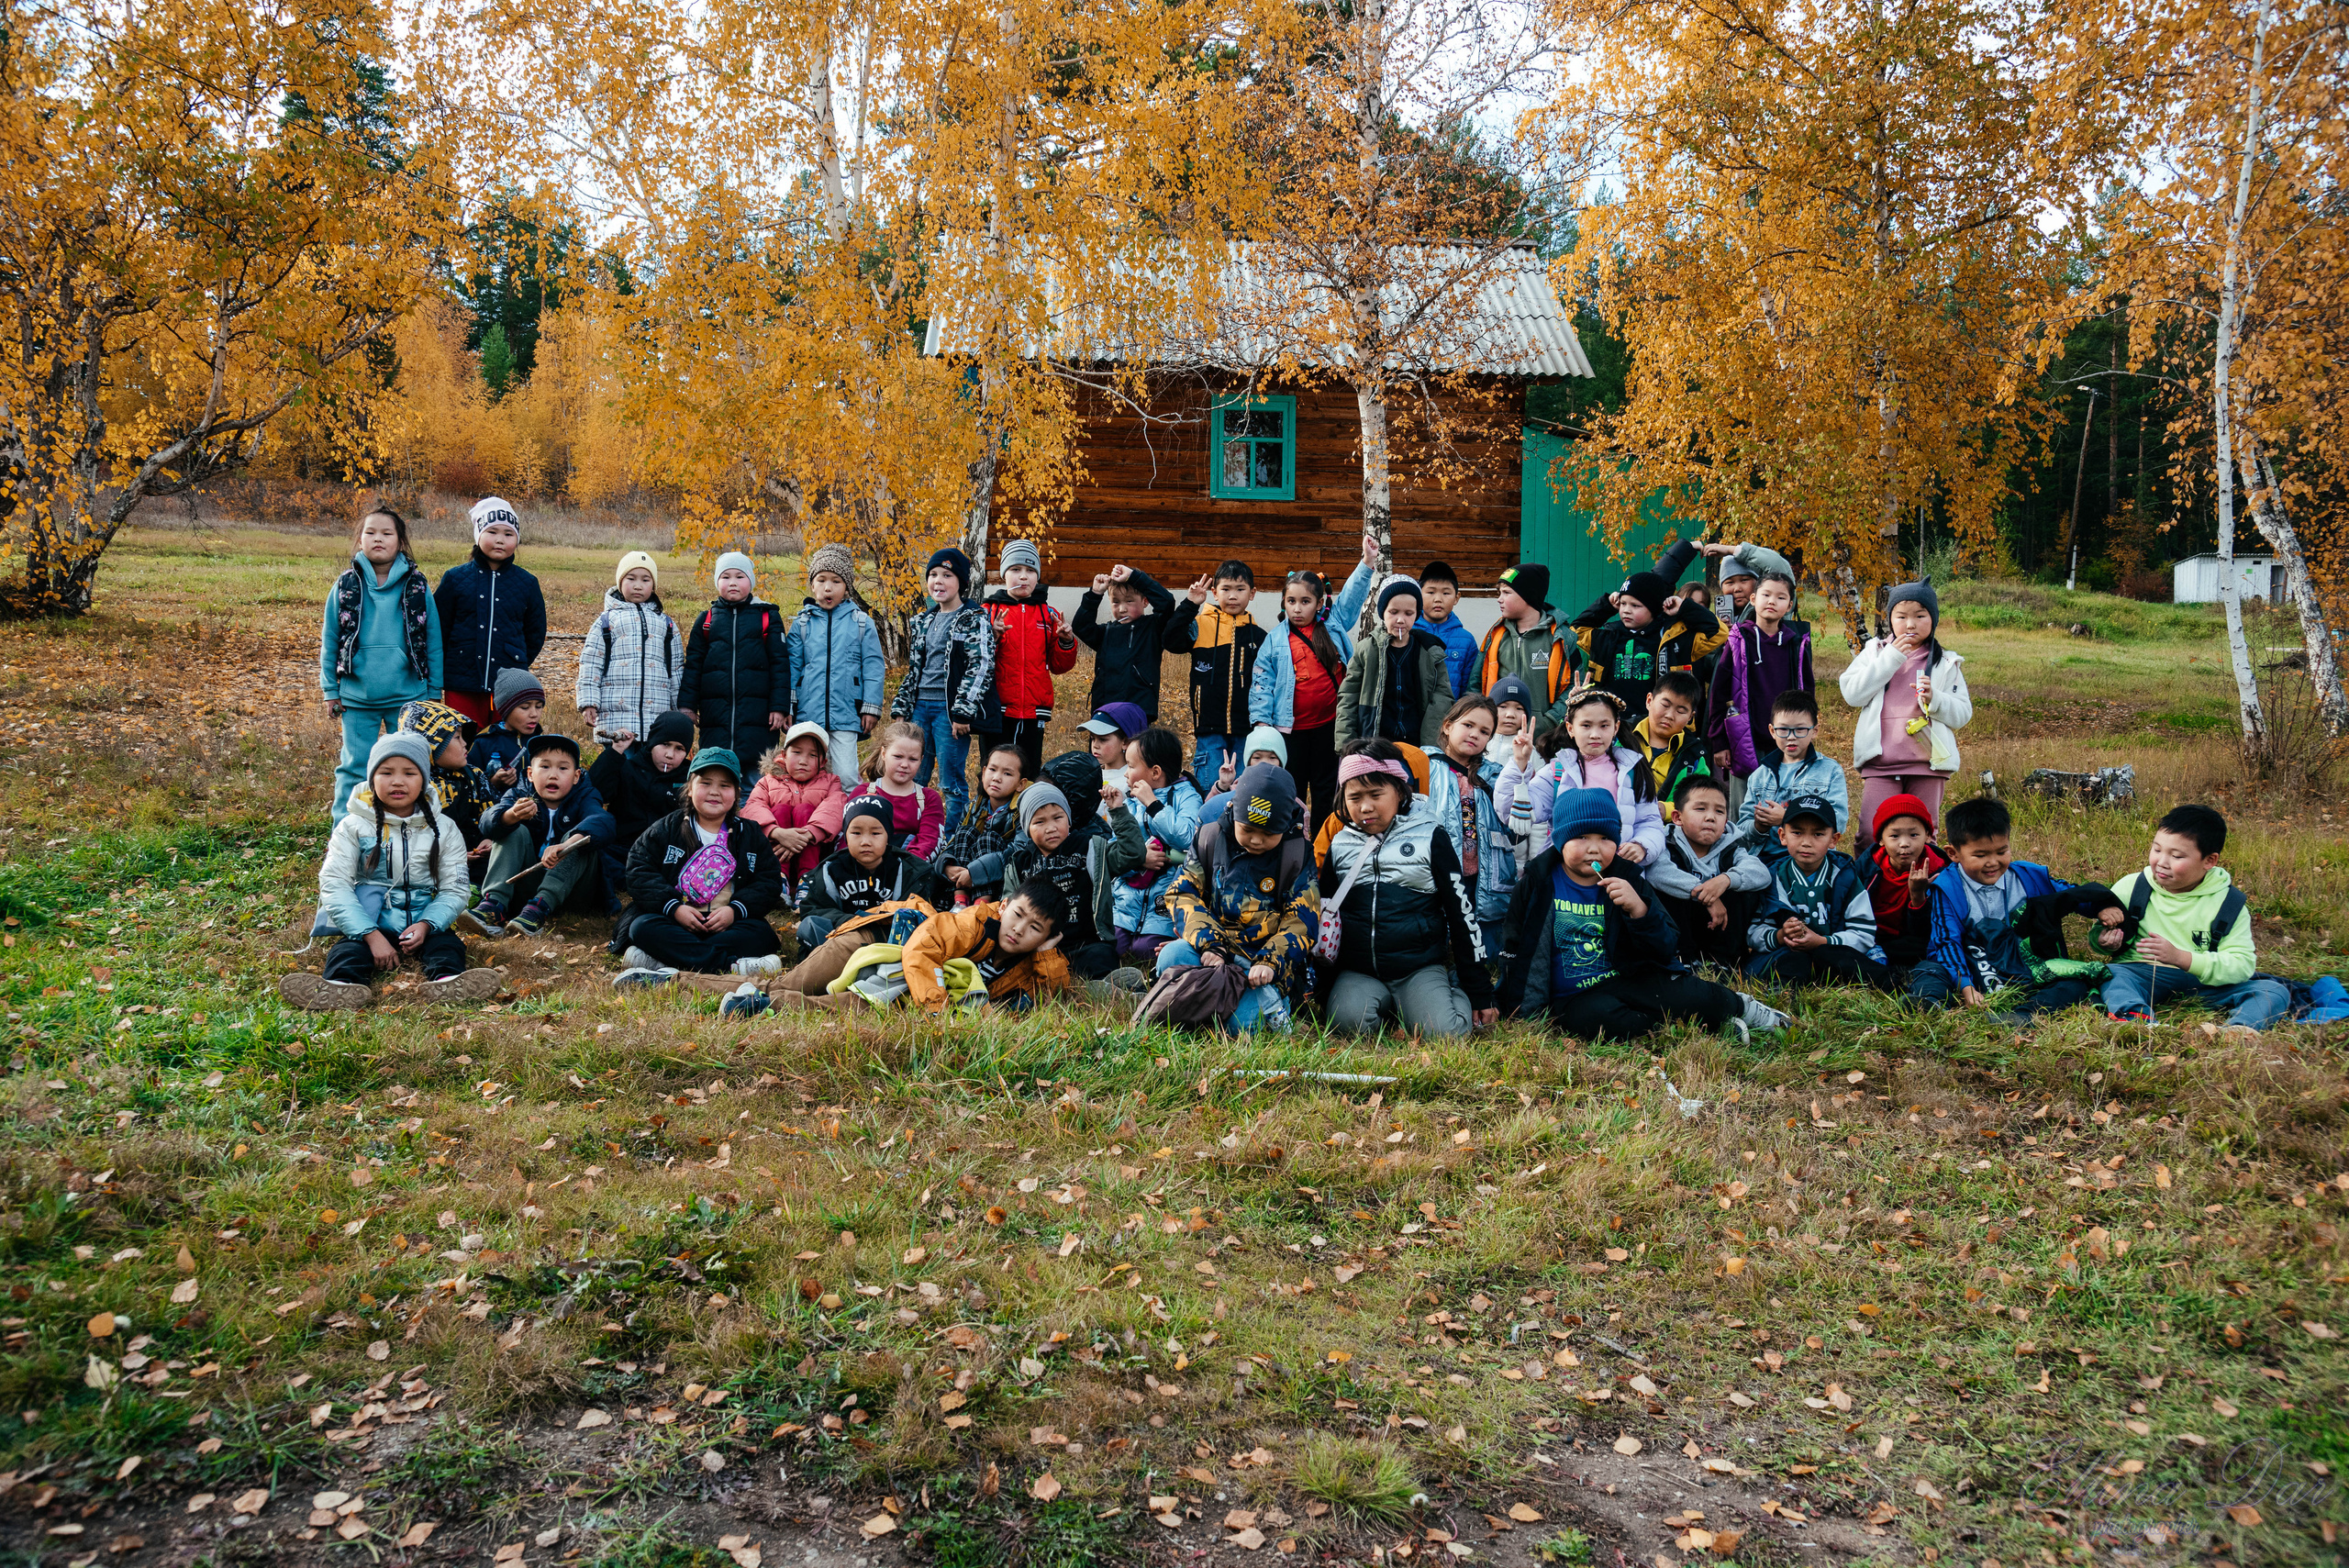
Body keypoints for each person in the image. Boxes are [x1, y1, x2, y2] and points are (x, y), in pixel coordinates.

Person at [1497, 786, 1788, 1041]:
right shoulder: (1537, 882)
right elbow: (1515, 946)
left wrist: (1638, 909)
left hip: (1632, 977)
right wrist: (1516, 1005)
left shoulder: (1629, 877)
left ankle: (1742, 1007)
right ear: (1560, 841)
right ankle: (1692, 1026)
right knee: (1594, 1022)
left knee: (1692, 994)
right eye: (1581, 837)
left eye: (1605, 838)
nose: (1594, 848)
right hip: (1575, 997)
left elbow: (1664, 946)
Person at [281, 733, 501, 1010]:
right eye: (386, 772)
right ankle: (339, 986)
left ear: (424, 779)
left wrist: (426, 924)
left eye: (409, 773)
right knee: (348, 951)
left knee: (447, 946)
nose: (397, 781)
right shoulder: (353, 826)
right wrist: (370, 935)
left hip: (423, 919)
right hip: (369, 919)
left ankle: (448, 981)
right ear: (372, 778)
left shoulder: (444, 828)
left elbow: (454, 889)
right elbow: (334, 884)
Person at [1318, 742, 1496, 1039]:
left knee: (1446, 1034)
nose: (1365, 807)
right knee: (1345, 1024)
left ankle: (1445, 992)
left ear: (1400, 791)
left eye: (1376, 795)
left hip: (1417, 969)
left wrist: (1478, 991)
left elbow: (1461, 914)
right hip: (1359, 971)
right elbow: (1324, 914)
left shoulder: (1431, 836)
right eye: (1355, 797)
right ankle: (1388, 1007)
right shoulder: (1340, 844)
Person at [1156, 762, 1319, 1035]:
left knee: (1243, 1025)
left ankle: (1224, 1007)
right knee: (1171, 956)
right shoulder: (1209, 837)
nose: (1256, 840)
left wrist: (1270, 962)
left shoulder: (1296, 854)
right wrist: (1210, 943)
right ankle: (1213, 1003)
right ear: (1234, 812)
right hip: (1212, 953)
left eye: (1268, 834)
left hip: (1260, 969)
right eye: (1248, 829)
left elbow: (1302, 920)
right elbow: (1183, 893)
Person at [2095, 804, 2288, 1034]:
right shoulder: (2131, 887)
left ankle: (2238, 1032)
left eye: (2176, 856)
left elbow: (2242, 965)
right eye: (2157, 850)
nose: (2162, 862)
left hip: (2206, 982)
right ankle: (2138, 1020)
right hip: (2143, 973)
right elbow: (2100, 932)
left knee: (2274, 991)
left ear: (2209, 860)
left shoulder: (2229, 903)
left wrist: (2181, 957)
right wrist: (2102, 940)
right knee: (2112, 975)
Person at [1923, 795, 2117, 1023]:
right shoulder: (1947, 888)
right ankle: (1929, 1002)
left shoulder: (2029, 876)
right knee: (1930, 970)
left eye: (2001, 851)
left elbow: (2068, 894)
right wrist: (1965, 986)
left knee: (2073, 983)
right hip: (1973, 961)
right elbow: (1946, 940)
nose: (1993, 862)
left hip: (2023, 961)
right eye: (1980, 855)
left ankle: (2022, 1015)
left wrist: (2101, 907)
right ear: (1953, 853)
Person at [612, 748, 786, 986]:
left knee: (762, 935)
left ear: (736, 794)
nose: (714, 792)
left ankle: (664, 964)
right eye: (705, 783)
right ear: (690, 788)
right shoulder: (667, 828)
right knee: (641, 928)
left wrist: (734, 910)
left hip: (727, 922)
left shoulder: (750, 833)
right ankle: (730, 967)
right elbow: (639, 870)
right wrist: (674, 908)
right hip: (677, 920)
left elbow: (768, 880)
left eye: (725, 786)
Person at [779, 879, 1074, 1014]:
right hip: (874, 941)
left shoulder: (1029, 964)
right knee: (792, 984)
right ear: (1005, 905)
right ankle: (754, 996)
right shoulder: (977, 923)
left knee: (864, 1006)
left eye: (1035, 929)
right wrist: (937, 1009)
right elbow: (923, 949)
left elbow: (1053, 997)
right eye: (1018, 915)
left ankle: (757, 1006)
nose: (1019, 930)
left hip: (898, 985)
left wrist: (1046, 952)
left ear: (1048, 936)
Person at [965, 765, 1146, 984]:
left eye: (1057, 818)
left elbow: (1133, 853)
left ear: (1068, 819)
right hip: (1036, 945)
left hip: (1085, 942)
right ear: (1027, 828)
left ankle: (1103, 985)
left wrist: (1118, 811)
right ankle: (1064, 984)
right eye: (1039, 822)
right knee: (1023, 969)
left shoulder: (1090, 848)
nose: (1051, 827)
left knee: (1102, 956)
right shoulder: (1021, 862)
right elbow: (1008, 903)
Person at [321, 506, 443, 820]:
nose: (378, 539)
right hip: (357, 698)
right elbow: (331, 638)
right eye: (370, 532)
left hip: (408, 698)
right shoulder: (346, 585)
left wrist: (433, 691)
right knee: (354, 768)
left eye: (387, 533)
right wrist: (330, 690)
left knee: (409, 769)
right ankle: (344, 837)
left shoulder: (416, 586)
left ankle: (408, 833)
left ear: (400, 542)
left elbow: (432, 639)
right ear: (360, 540)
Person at [1839, 576, 1971, 855]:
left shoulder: (1946, 662)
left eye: (1920, 616)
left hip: (1928, 763)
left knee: (1923, 837)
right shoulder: (1875, 652)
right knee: (1869, 835)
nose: (1910, 624)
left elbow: (1962, 714)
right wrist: (1891, 659)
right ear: (1890, 619)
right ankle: (1868, 893)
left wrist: (1936, 699)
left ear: (1933, 619)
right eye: (1901, 616)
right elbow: (1852, 694)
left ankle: (1922, 893)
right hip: (1881, 762)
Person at [1251, 554, 1374, 832]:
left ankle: (1321, 845)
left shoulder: (1333, 625)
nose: (1297, 609)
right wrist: (1261, 723)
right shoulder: (1275, 639)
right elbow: (1262, 681)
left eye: (1305, 602)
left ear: (1319, 604)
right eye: (1291, 601)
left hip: (1330, 728)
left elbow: (1352, 597)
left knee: (1326, 791)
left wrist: (1366, 564)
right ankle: (1289, 843)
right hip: (1290, 733)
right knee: (1290, 788)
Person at [462, 733, 616, 937]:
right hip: (526, 887)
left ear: (576, 776)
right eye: (544, 767)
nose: (553, 775)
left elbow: (603, 822)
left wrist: (567, 844)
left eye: (563, 768)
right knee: (513, 829)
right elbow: (488, 823)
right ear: (530, 773)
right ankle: (493, 905)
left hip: (573, 891)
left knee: (580, 838)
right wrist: (511, 815)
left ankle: (539, 909)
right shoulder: (518, 795)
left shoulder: (585, 795)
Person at [890, 547, 996, 834]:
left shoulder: (974, 619)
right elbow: (915, 670)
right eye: (933, 574)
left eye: (947, 575)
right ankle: (910, 831)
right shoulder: (924, 622)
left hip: (950, 715)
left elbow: (982, 666)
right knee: (914, 775)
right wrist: (902, 708)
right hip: (919, 710)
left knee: (950, 781)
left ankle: (948, 838)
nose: (938, 581)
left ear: (961, 582)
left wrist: (963, 710)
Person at [1495, 687, 1665, 864]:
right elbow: (1511, 813)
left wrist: (1642, 846)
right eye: (1586, 725)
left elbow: (1650, 822)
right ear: (1570, 728)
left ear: (1616, 728)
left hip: (1618, 874)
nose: (1595, 734)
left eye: (1604, 726)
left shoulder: (1632, 771)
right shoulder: (1557, 772)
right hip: (1565, 874)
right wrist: (1519, 763)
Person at [1743, 795, 1891, 989]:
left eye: (1818, 834)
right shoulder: (1773, 877)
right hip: (1788, 952)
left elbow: (1864, 933)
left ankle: (1889, 984)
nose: (1806, 842)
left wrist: (1821, 941)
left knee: (1836, 958)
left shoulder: (1844, 877)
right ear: (1782, 836)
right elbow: (1754, 932)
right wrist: (1780, 935)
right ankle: (1786, 990)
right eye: (1797, 832)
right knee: (1790, 960)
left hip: (1832, 951)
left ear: (1834, 839)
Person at [1569, 541, 1723, 715]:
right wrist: (1606, 606)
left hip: (1658, 727)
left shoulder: (1673, 639)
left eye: (1636, 606)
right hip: (1612, 727)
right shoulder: (1608, 637)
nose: (1626, 610)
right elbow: (1575, 631)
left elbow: (1719, 634)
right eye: (1623, 603)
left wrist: (1685, 608)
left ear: (1654, 610)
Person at [434, 496, 547, 733]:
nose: (500, 540)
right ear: (478, 536)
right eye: (492, 532)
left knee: (504, 738)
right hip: (461, 679)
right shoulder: (455, 579)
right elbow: (439, 627)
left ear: (517, 539)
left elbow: (535, 631)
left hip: (507, 681)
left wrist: (516, 661)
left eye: (508, 534)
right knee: (464, 737)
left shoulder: (527, 583)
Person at [1709, 572, 1813, 817]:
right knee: (1744, 810)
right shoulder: (1738, 640)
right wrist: (1719, 742)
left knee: (1785, 805)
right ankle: (1740, 854)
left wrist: (1807, 728)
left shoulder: (1796, 643)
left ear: (1789, 605)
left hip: (1787, 736)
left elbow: (1808, 692)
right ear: (1753, 599)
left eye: (1780, 597)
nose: (1771, 601)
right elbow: (1718, 692)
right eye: (1766, 595)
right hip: (1745, 738)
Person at [678, 550, 790, 778]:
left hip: (758, 718)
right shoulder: (706, 620)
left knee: (755, 776)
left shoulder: (767, 617)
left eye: (740, 577)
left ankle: (753, 811)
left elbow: (780, 664)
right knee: (717, 771)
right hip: (715, 716)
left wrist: (779, 707)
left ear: (751, 581)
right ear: (717, 581)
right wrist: (687, 706)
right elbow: (693, 666)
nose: (732, 583)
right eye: (725, 577)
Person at [1644, 774, 1770, 972]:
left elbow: (1761, 872)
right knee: (1667, 888)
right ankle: (1683, 958)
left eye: (1719, 811)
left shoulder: (1730, 848)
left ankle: (1723, 962)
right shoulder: (1665, 842)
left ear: (1726, 820)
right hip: (1681, 930)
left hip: (1719, 927)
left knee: (1746, 886)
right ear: (1678, 817)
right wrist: (1708, 896)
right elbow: (1657, 872)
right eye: (1700, 808)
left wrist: (1725, 880)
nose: (1710, 817)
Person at [585, 707, 696, 925]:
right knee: (595, 854)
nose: (670, 754)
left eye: (679, 748)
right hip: (623, 848)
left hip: (665, 854)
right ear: (652, 742)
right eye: (664, 745)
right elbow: (596, 790)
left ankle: (642, 880)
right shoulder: (629, 767)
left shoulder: (690, 778)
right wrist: (615, 751)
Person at [789, 542, 886, 788]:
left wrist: (871, 706)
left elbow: (873, 666)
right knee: (808, 775)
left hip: (846, 712)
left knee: (845, 775)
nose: (828, 588)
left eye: (836, 581)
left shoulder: (862, 623)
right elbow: (792, 668)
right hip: (808, 714)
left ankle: (849, 824)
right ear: (812, 584)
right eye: (821, 580)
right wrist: (788, 705)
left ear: (847, 587)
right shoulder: (801, 625)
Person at [978, 538, 1075, 779]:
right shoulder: (988, 612)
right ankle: (987, 813)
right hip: (997, 708)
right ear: (1003, 574)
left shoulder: (1048, 613)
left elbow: (1059, 665)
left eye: (1030, 570)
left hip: (1034, 711)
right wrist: (993, 636)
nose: (1023, 576)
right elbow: (976, 660)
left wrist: (1065, 641)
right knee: (993, 769)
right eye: (1016, 569)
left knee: (1028, 770)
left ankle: (1023, 814)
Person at [1428, 695, 1514, 962]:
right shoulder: (1425, 765)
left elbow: (1516, 829)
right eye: (1468, 725)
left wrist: (1520, 770)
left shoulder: (1497, 774)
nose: (1475, 734)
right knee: (1435, 944)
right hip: (1439, 870)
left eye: (1485, 731)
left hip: (1482, 874)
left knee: (1484, 954)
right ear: (1447, 726)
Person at [793, 796, 943, 949]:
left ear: (887, 836)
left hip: (891, 942)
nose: (865, 841)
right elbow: (813, 909)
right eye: (856, 833)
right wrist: (856, 921)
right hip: (842, 939)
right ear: (846, 836)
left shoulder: (908, 870)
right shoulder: (830, 870)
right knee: (810, 926)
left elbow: (916, 912)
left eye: (875, 833)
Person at [1165, 559, 1265, 786]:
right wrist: (1191, 604)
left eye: (1240, 589)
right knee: (1209, 788)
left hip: (1245, 729)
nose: (1233, 596)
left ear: (1252, 593)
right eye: (1226, 589)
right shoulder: (1199, 625)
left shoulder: (1258, 636)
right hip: (1209, 726)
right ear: (1214, 592)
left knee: (1242, 792)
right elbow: (1170, 640)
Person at [1111, 728, 1204, 970]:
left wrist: (1153, 804)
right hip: (1127, 898)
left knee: (1146, 951)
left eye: (1130, 766)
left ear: (1155, 772)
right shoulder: (1128, 800)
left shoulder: (1186, 796)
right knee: (1113, 946)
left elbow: (1187, 838)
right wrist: (1138, 857)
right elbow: (1116, 846)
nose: (1126, 773)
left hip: (1164, 902)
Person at [575, 550, 682, 745]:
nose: (638, 586)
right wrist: (588, 703)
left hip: (656, 719)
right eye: (631, 579)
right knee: (617, 770)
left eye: (645, 580)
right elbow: (590, 664)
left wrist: (680, 712)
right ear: (620, 582)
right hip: (616, 720)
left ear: (654, 585)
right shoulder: (606, 621)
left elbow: (675, 670)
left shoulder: (666, 624)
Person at [1337, 578, 1453, 750]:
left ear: (1417, 614)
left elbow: (1442, 698)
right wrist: (1345, 744)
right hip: (1374, 743)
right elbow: (1348, 697)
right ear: (1383, 612)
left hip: (1416, 745)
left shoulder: (1430, 652)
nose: (1400, 620)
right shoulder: (1367, 650)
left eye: (1408, 613)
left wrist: (1431, 746)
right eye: (1393, 612)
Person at [1862, 793, 1954, 1003]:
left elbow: (1932, 930)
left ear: (1928, 836)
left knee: (1927, 952)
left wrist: (1917, 895)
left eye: (1914, 835)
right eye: (1894, 836)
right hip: (1874, 938)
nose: (1904, 844)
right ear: (1880, 840)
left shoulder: (1941, 870)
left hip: (1916, 940)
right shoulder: (1867, 867)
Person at [741, 720, 849, 900]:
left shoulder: (831, 782)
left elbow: (835, 808)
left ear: (822, 762)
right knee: (781, 809)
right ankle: (779, 879)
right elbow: (752, 807)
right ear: (783, 755)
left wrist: (806, 835)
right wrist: (777, 833)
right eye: (796, 752)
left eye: (812, 755)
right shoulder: (769, 781)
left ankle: (807, 881)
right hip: (775, 851)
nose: (803, 761)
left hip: (814, 853)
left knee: (805, 810)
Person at [1732, 690, 1848, 846]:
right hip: (1765, 858)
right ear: (1772, 731)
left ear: (1814, 731)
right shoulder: (1759, 776)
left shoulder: (1830, 771)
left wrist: (1787, 818)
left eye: (1800, 729)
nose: (1791, 736)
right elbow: (1742, 829)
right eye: (1783, 729)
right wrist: (1759, 826)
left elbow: (1837, 821)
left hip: (1811, 857)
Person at [396, 699, 497, 878]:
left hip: (481, 860)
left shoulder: (474, 775)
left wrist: (491, 839)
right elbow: (409, 840)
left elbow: (492, 814)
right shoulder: (418, 786)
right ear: (433, 745)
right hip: (432, 866)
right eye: (457, 737)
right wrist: (451, 857)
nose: (465, 743)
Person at [1074, 562, 1178, 722]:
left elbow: (1167, 603)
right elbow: (1081, 626)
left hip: (1138, 709)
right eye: (1116, 602)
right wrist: (1095, 594)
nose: (1122, 608)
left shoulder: (1153, 628)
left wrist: (1134, 577)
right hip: (1104, 710)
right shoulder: (1105, 633)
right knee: (1101, 748)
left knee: (1134, 748)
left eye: (1129, 601)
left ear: (1145, 601)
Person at [1475, 562, 1575, 727]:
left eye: (1506, 593)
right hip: (1499, 731)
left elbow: (1573, 686)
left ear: (1529, 595)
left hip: (1546, 738)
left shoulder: (1562, 638)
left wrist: (1548, 722)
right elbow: (1476, 683)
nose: (1499, 599)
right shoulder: (1495, 636)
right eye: (1499, 593)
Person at [935, 743, 1030, 901]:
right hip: (964, 879)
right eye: (992, 770)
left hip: (1000, 883)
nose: (996, 778)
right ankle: (960, 902)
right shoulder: (973, 807)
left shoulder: (1022, 812)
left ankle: (982, 904)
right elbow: (953, 842)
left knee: (988, 838)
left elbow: (1018, 854)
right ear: (984, 772)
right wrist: (946, 866)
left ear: (1021, 784)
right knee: (966, 832)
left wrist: (974, 873)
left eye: (1007, 774)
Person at [850, 719, 945, 860]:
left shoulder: (928, 798)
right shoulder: (862, 793)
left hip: (910, 870)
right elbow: (848, 839)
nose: (905, 764)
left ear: (921, 760)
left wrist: (903, 870)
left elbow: (929, 841)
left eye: (913, 759)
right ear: (884, 754)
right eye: (898, 757)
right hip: (864, 867)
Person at [1632, 672, 1709, 818]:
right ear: (1649, 700)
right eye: (1665, 705)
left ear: (1690, 718)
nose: (1669, 715)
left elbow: (1698, 802)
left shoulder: (1696, 758)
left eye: (1680, 711)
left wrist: (1665, 810)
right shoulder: (1619, 736)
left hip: (1666, 831)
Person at [469, 668, 546, 791]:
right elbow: (470, 785)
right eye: (525, 707)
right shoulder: (484, 743)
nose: (534, 714)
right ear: (506, 709)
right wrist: (494, 782)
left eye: (539, 706)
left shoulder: (542, 743)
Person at [1415, 561, 1481, 702]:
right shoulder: (1409, 633)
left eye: (1446, 593)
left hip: (1450, 717)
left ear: (1456, 598)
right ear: (1419, 595)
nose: (1438, 599)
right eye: (1431, 592)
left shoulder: (1466, 640)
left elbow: (1470, 689)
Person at [1700, 540, 1798, 626]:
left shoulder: (1770, 609)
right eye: (1730, 582)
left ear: (1758, 583)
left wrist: (1731, 550)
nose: (1737, 588)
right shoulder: (1716, 621)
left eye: (1744, 580)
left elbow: (1779, 567)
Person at [1079, 702, 1148, 795]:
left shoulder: (1133, 781)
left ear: (1125, 742)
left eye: (1103, 739)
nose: (1095, 745)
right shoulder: (1087, 776)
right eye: (1092, 738)